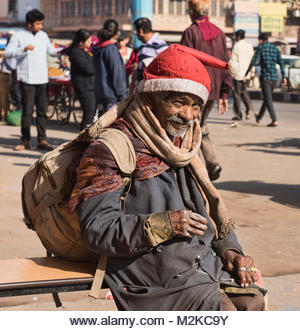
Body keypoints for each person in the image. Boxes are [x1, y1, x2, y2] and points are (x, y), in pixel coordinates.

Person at [64, 44, 266, 311]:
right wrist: (163, 225)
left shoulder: (181, 145)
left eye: (195, 106)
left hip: (201, 264)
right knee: (222, 312)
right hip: (152, 277)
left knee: (254, 300)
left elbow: (207, 217)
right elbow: (96, 229)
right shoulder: (110, 148)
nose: (188, 115)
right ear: (151, 98)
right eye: (178, 102)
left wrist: (232, 252)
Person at [181, 0, 232, 181]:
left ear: (193, 10)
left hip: (196, 90)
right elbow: (226, 63)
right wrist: (224, 93)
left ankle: (197, 169)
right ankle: (211, 164)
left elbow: (184, 63)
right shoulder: (219, 33)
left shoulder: (191, 32)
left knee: (192, 128)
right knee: (200, 125)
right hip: (214, 90)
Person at [4, 9, 58, 151]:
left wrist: (64, 50)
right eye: (38, 23)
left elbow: (51, 51)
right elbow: (8, 53)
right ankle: (25, 140)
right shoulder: (19, 36)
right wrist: (23, 49)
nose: (41, 26)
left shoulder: (43, 35)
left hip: (42, 79)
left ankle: (42, 140)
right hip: (27, 79)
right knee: (27, 112)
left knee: (42, 111)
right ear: (29, 24)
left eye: (41, 23)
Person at [245, 33, 287, 127]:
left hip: (265, 78)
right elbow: (281, 63)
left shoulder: (261, 48)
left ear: (260, 40)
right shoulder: (275, 49)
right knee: (267, 98)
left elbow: (253, 61)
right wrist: (284, 77)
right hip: (274, 78)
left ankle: (274, 120)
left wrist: (246, 74)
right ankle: (259, 117)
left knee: (268, 99)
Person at [93, 19, 127, 118]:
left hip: (100, 95)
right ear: (117, 33)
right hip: (111, 97)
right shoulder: (111, 49)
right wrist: (122, 96)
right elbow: (116, 75)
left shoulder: (97, 49)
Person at [68, 29, 96, 131]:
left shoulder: (83, 52)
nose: (90, 43)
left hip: (89, 86)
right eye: (88, 41)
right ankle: (83, 139)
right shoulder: (76, 53)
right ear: (81, 42)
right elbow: (89, 69)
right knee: (89, 113)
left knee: (91, 113)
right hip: (84, 87)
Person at [133, 17, 168, 83]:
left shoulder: (160, 45)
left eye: (136, 32)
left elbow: (166, 66)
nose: (136, 35)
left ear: (140, 31)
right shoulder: (142, 47)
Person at [230, 29, 254, 121]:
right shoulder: (249, 46)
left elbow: (233, 61)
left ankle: (238, 114)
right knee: (243, 92)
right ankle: (249, 108)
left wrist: (232, 72)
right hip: (247, 75)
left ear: (238, 36)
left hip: (238, 74)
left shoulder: (236, 46)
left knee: (237, 94)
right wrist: (252, 72)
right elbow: (253, 60)